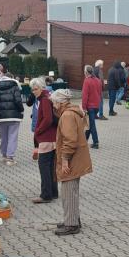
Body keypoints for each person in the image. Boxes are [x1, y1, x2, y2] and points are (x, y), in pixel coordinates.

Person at [50, 89, 93, 235]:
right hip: (77, 156)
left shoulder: (67, 115)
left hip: (72, 158)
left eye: (54, 102)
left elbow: (70, 140)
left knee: (68, 191)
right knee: (71, 191)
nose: (53, 105)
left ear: (60, 102)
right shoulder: (72, 111)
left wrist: (65, 160)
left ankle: (72, 224)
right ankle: (72, 219)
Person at [30, 76, 58, 204]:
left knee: (44, 166)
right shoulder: (48, 97)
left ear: (41, 88)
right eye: (32, 89)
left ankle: (46, 195)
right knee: (51, 166)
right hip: (52, 137)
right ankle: (53, 192)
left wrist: (38, 130)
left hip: (47, 138)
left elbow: (48, 119)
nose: (33, 92)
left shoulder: (45, 100)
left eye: (35, 89)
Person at [0, 72, 24, 165]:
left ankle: (4, 156)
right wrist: (21, 110)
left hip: (1, 116)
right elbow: (18, 100)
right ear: (12, 78)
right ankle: (10, 158)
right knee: (12, 136)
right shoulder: (15, 87)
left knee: (3, 137)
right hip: (14, 115)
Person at [81, 64, 102, 148]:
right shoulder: (98, 80)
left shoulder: (87, 81)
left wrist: (83, 107)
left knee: (91, 124)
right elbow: (100, 93)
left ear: (86, 72)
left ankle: (96, 142)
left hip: (90, 106)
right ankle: (84, 140)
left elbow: (85, 95)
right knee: (89, 124)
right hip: (96, 105)